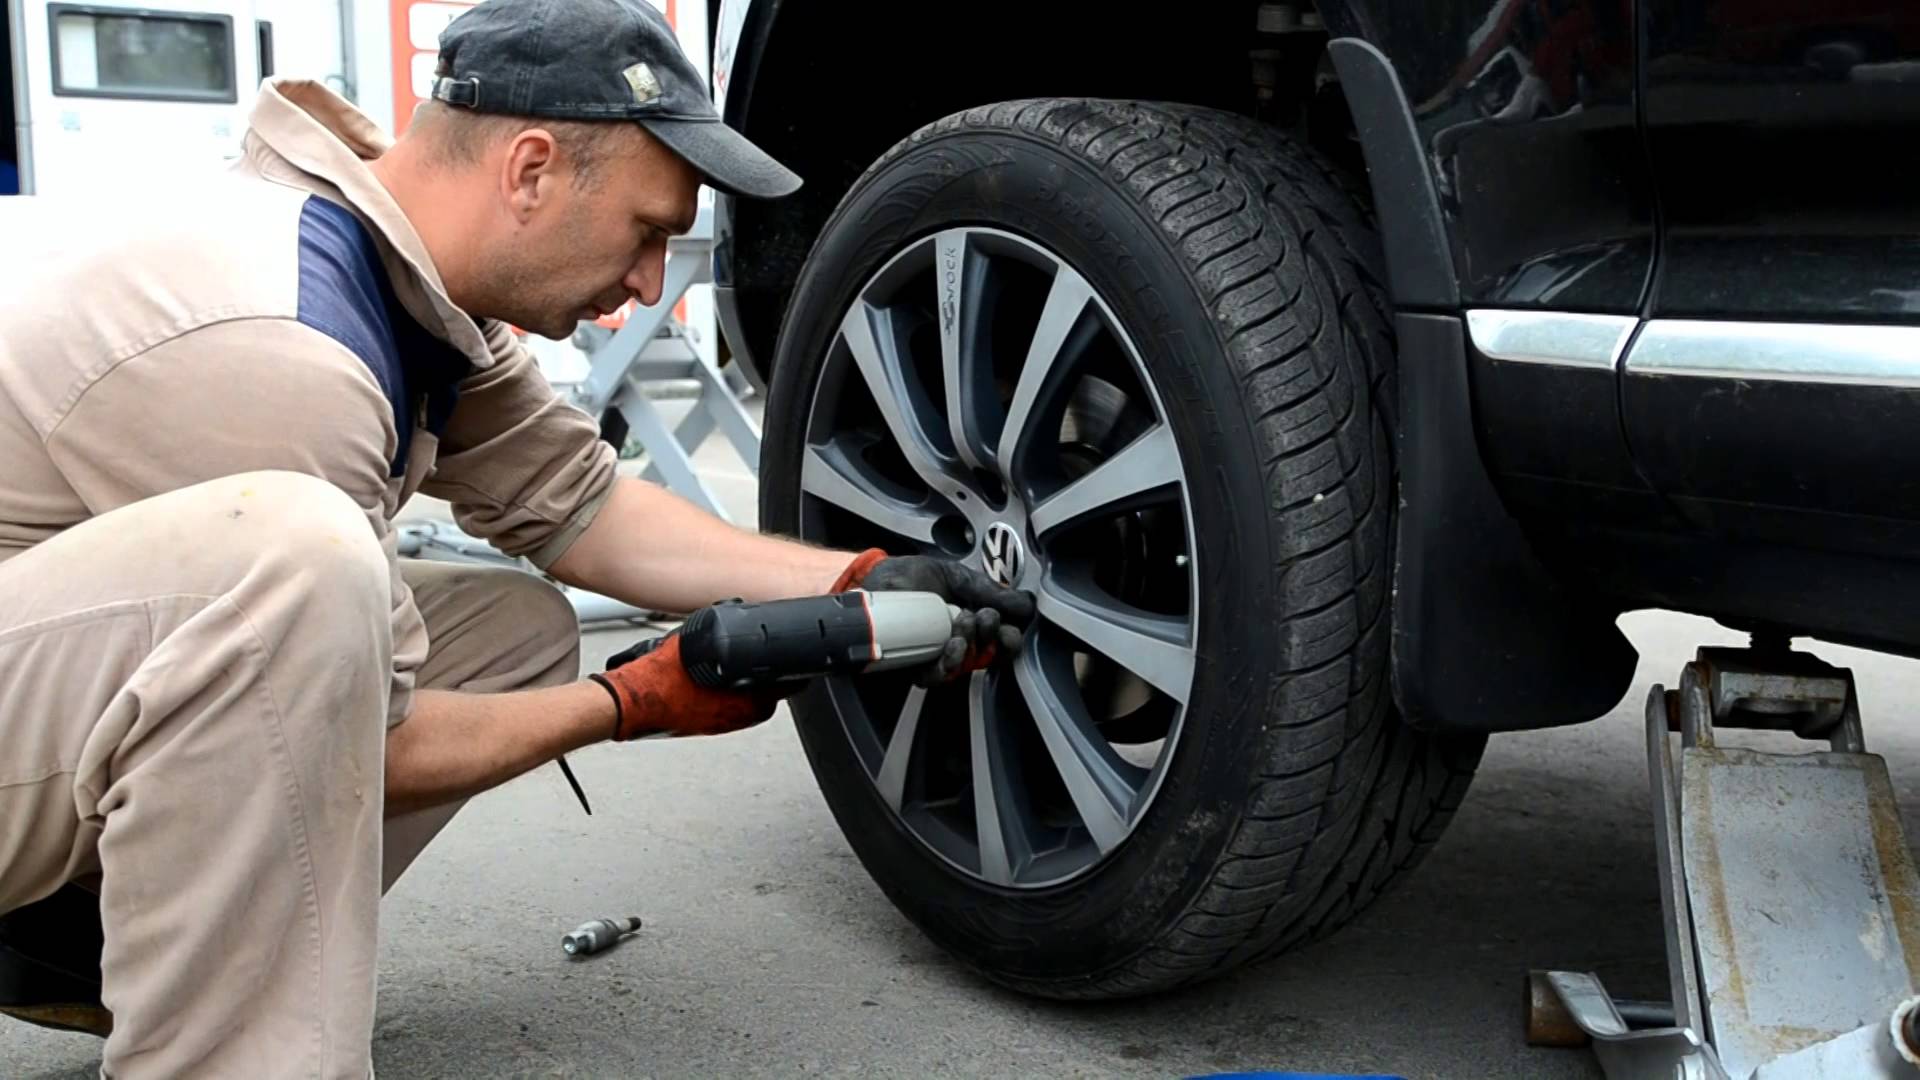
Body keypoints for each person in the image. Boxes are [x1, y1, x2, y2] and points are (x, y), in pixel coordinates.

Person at [0, 0, 1033, 1075]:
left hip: (42, 669)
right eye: (645, 233)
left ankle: (81, 944)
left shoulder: (390, 270)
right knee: (298, 574)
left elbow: (585, 506)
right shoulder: (287, 346)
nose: (646, 285)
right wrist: (624, 703)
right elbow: (360, 736)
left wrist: (858, 576)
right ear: (531, 171)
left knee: (511, 628)